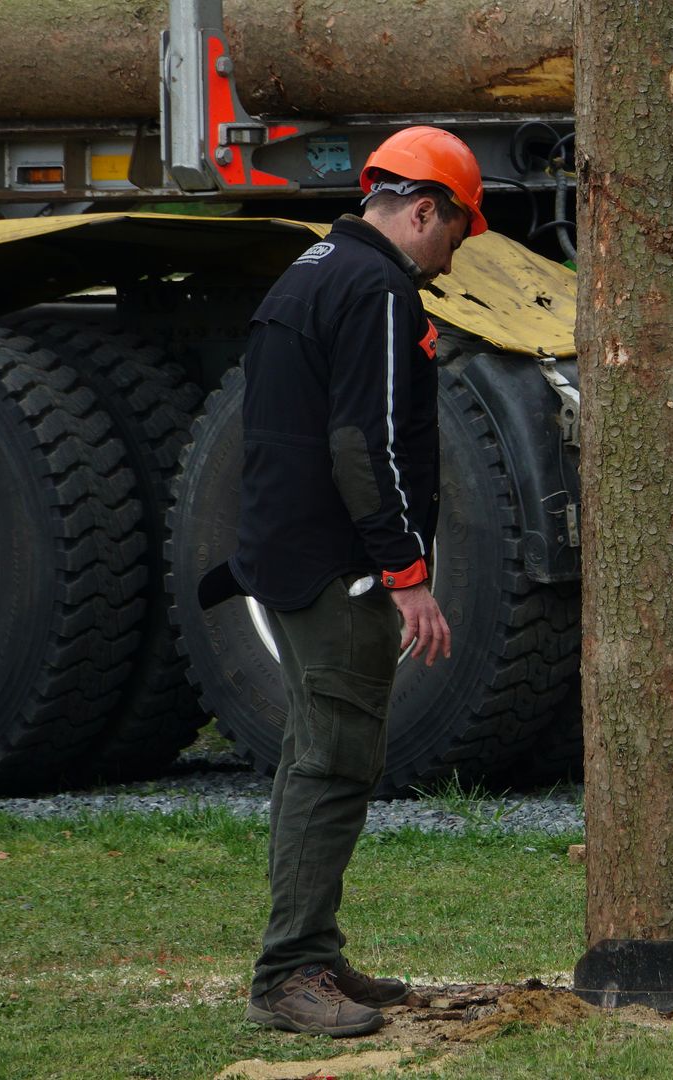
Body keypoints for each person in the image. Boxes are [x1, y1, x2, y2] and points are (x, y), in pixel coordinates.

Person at [211, 125, 486, 1037]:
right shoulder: (378, 288)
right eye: (458, 231)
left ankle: (313, 952)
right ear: (421, 210)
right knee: (333, 761)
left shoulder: (314, 268)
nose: (455, 253)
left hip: (291, 554)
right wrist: (408, 571)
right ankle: (289, 972)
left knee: (316, 752)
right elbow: (364, 444)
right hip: (338, 568)